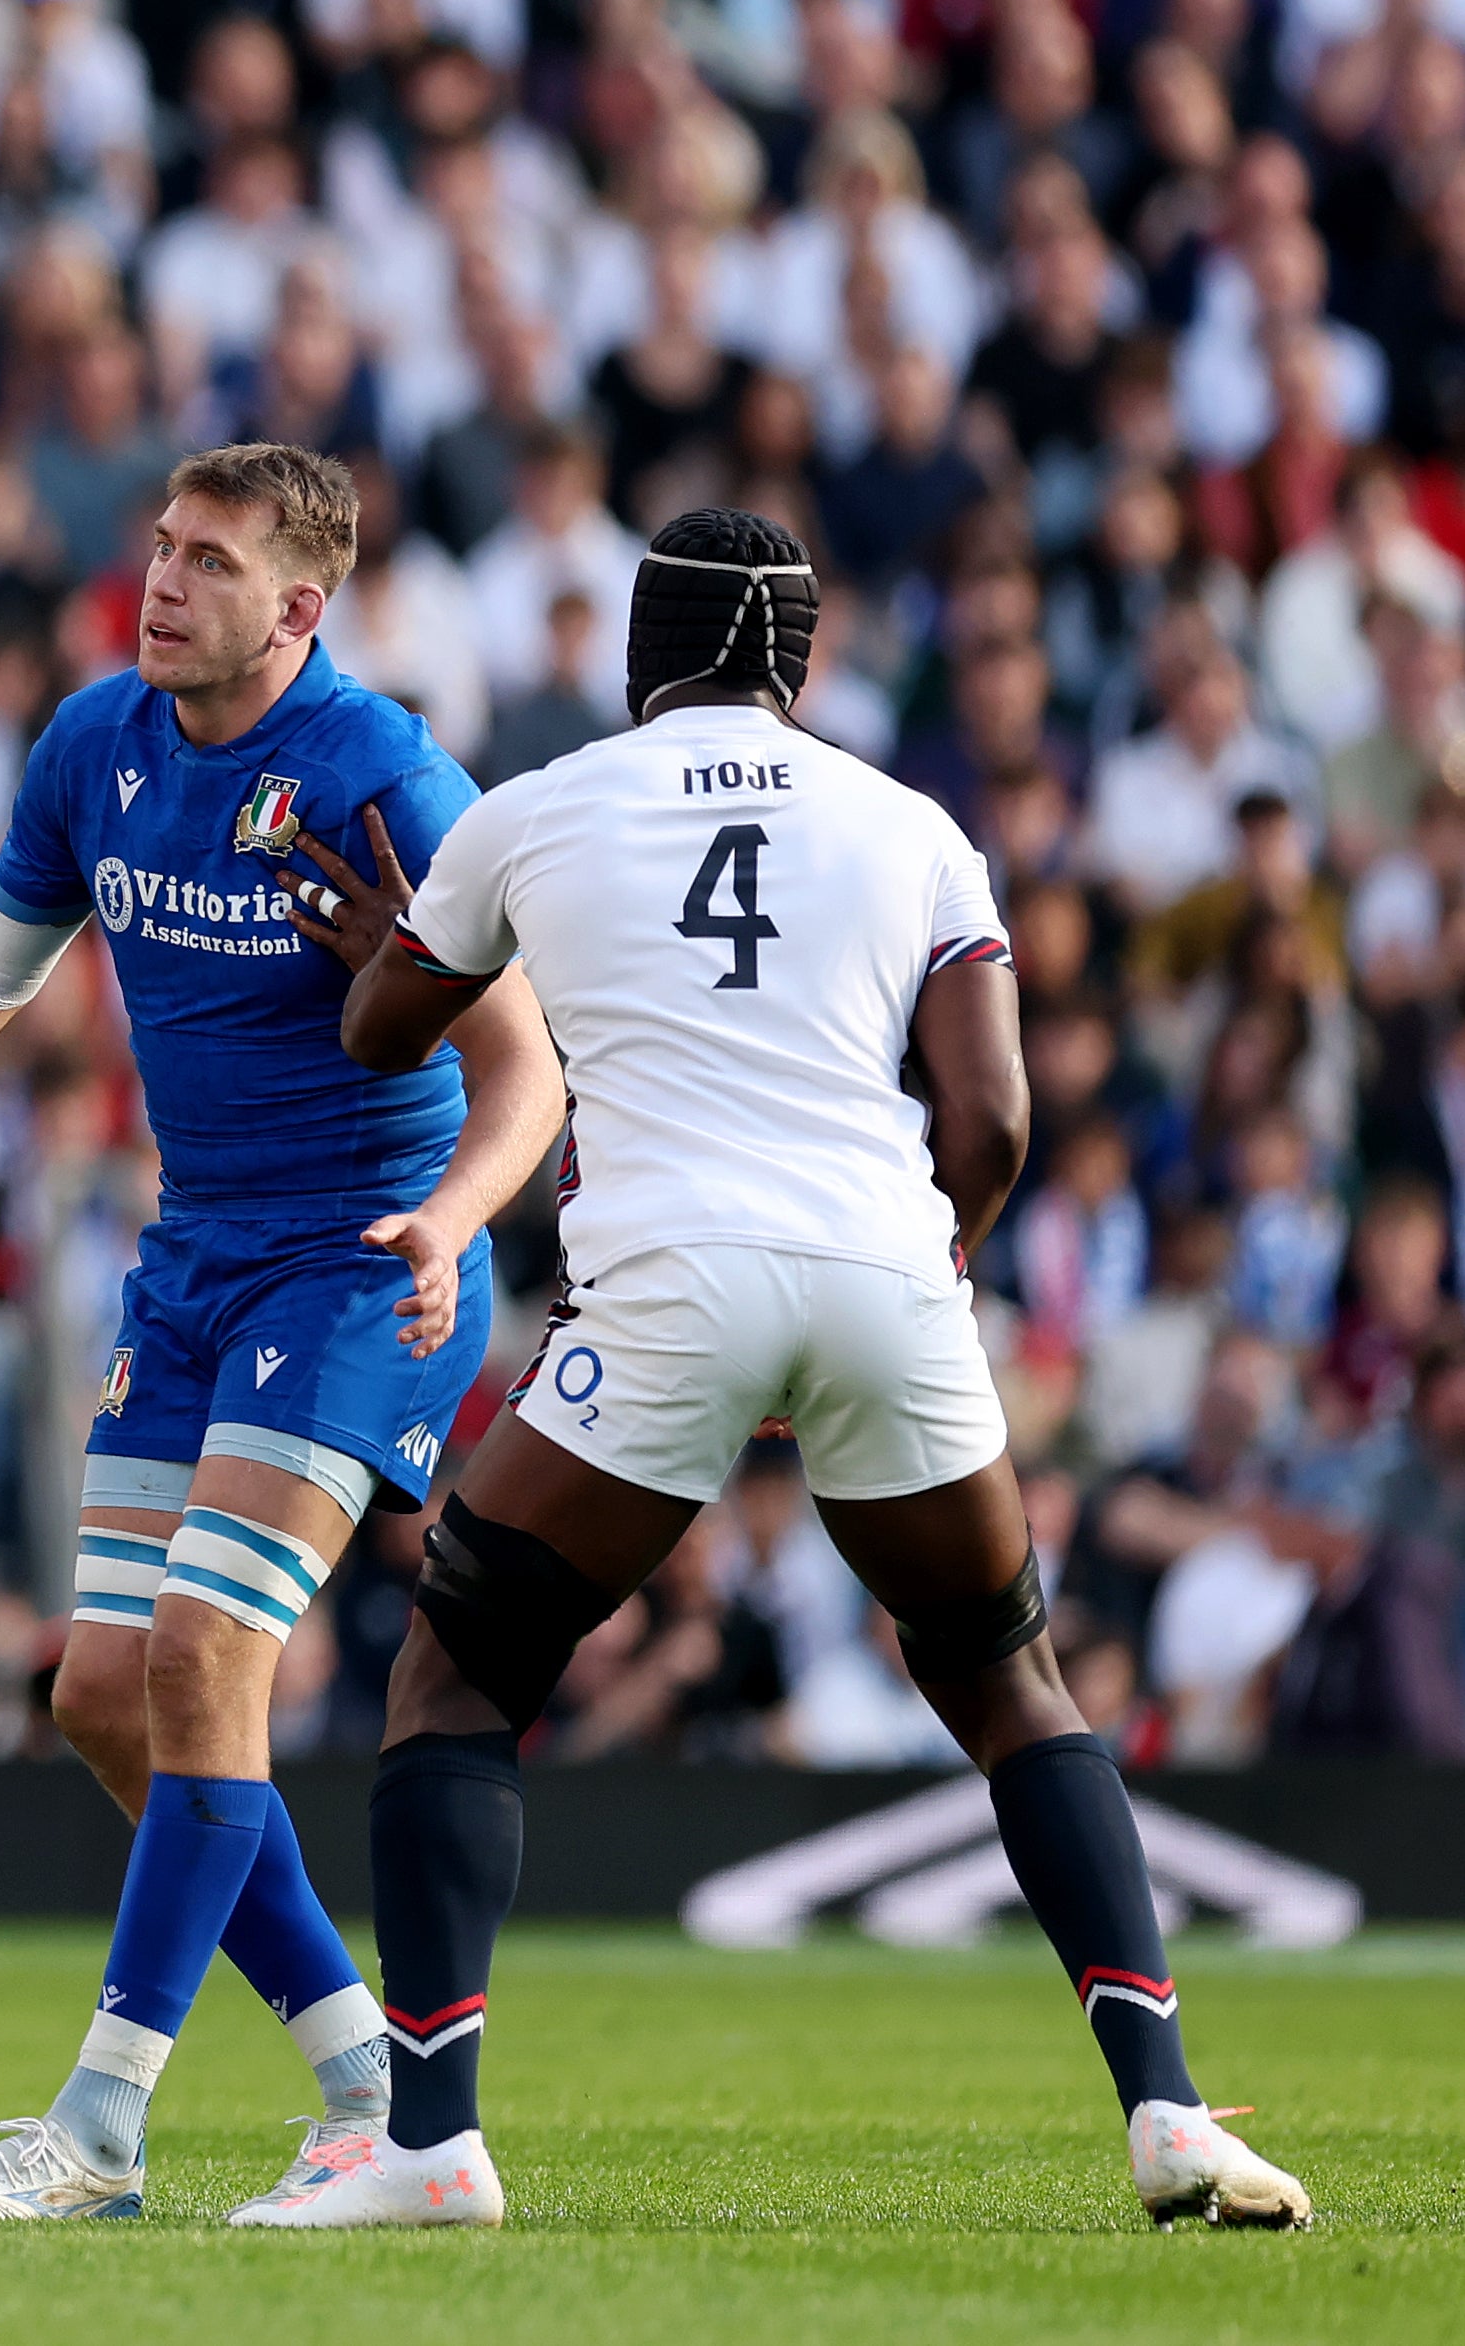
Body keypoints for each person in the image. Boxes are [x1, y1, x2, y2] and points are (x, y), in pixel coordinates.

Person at [284, 513, 1316, 2234]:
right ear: (800, 665)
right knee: (1011, 1686)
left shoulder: (540, 807)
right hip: (886, 1275)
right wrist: (940, 1262)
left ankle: (429, 2145)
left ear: (641, 649)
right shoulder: (914, 826)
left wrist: (385, 950)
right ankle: (1169, 2112)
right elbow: (991, 1120)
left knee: (460, 1674)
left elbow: (387, 1034)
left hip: (671, 1282)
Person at [0, 444, 572, 2223]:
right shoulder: (96, 746)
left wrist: (451, 1223)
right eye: (157, 548)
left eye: (207, 563)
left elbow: (527, 1064)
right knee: (98, 1698)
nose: (159, 584)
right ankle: (376, 2087)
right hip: (195, 1259)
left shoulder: (385, 777)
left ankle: (98, 2132)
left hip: (361, 1264)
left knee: (210, 1657)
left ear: (302, 609)